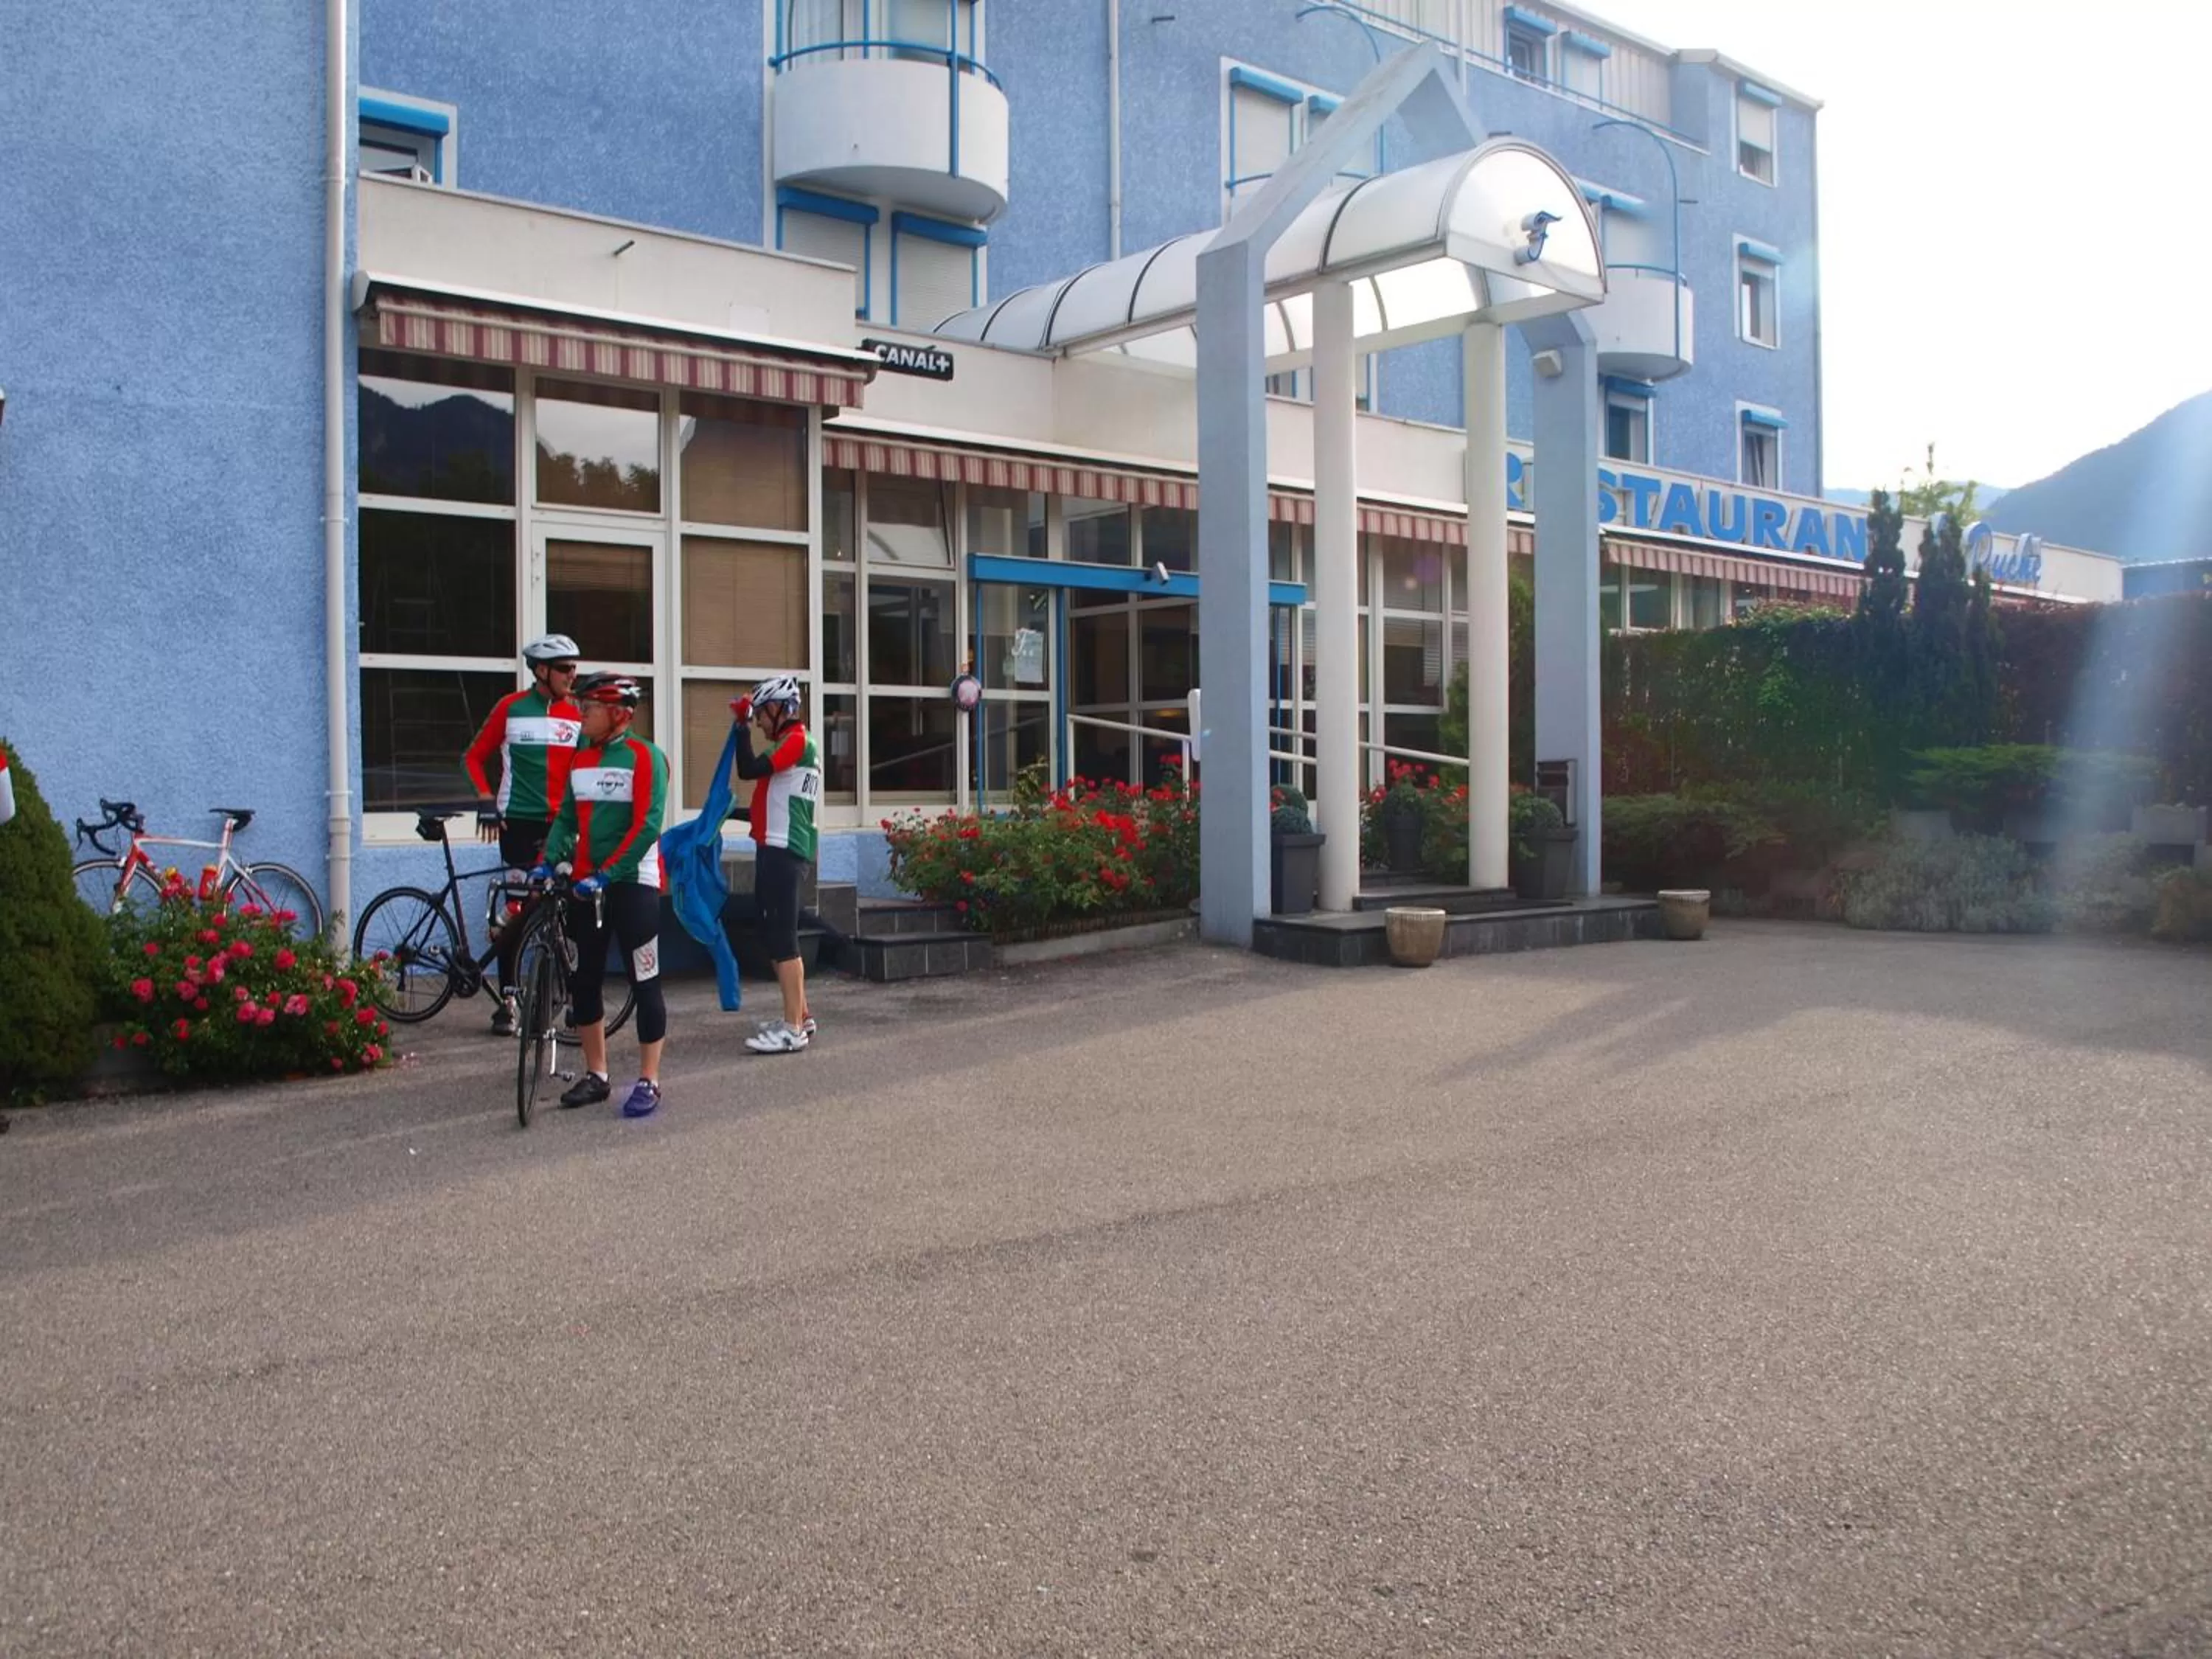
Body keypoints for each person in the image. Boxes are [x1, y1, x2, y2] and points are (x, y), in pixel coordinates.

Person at [538, 672, 670, 1119]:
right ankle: (597, 1075)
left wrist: (611, 872)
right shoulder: (581, 758)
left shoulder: (646, 757)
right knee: (585, 980)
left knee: (644, 981)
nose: (581, 715)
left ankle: (650, 1081)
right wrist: (548, 859)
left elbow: (648, 825)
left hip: (634, 883)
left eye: (589, 708)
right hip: (586, 883)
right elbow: (566, 819)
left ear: (618, 713)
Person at [463, 633, 582, 1035]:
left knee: (565, 909)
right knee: (518, 913)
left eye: (575, 667)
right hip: (519, 823)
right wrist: (485, 800)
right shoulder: (510, 708)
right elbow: (474, 757)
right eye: (566, 669)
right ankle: (508, 1002)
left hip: (562, 827)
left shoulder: (578, 714)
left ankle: (571, 996)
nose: (573, 675)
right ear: (543, 671)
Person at [729, 674, 821, 1054]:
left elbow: (749, 769)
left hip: (784, 851)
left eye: (762, 715)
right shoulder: (793, 745)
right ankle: (802, 1017)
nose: (761, 723)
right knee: (774, 936)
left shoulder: (797, 741)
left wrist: (740, 727)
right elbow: (772, 806)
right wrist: (729, 812)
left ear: (780, 709)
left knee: (784, 940)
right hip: (778, 846)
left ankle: (792, 1030)